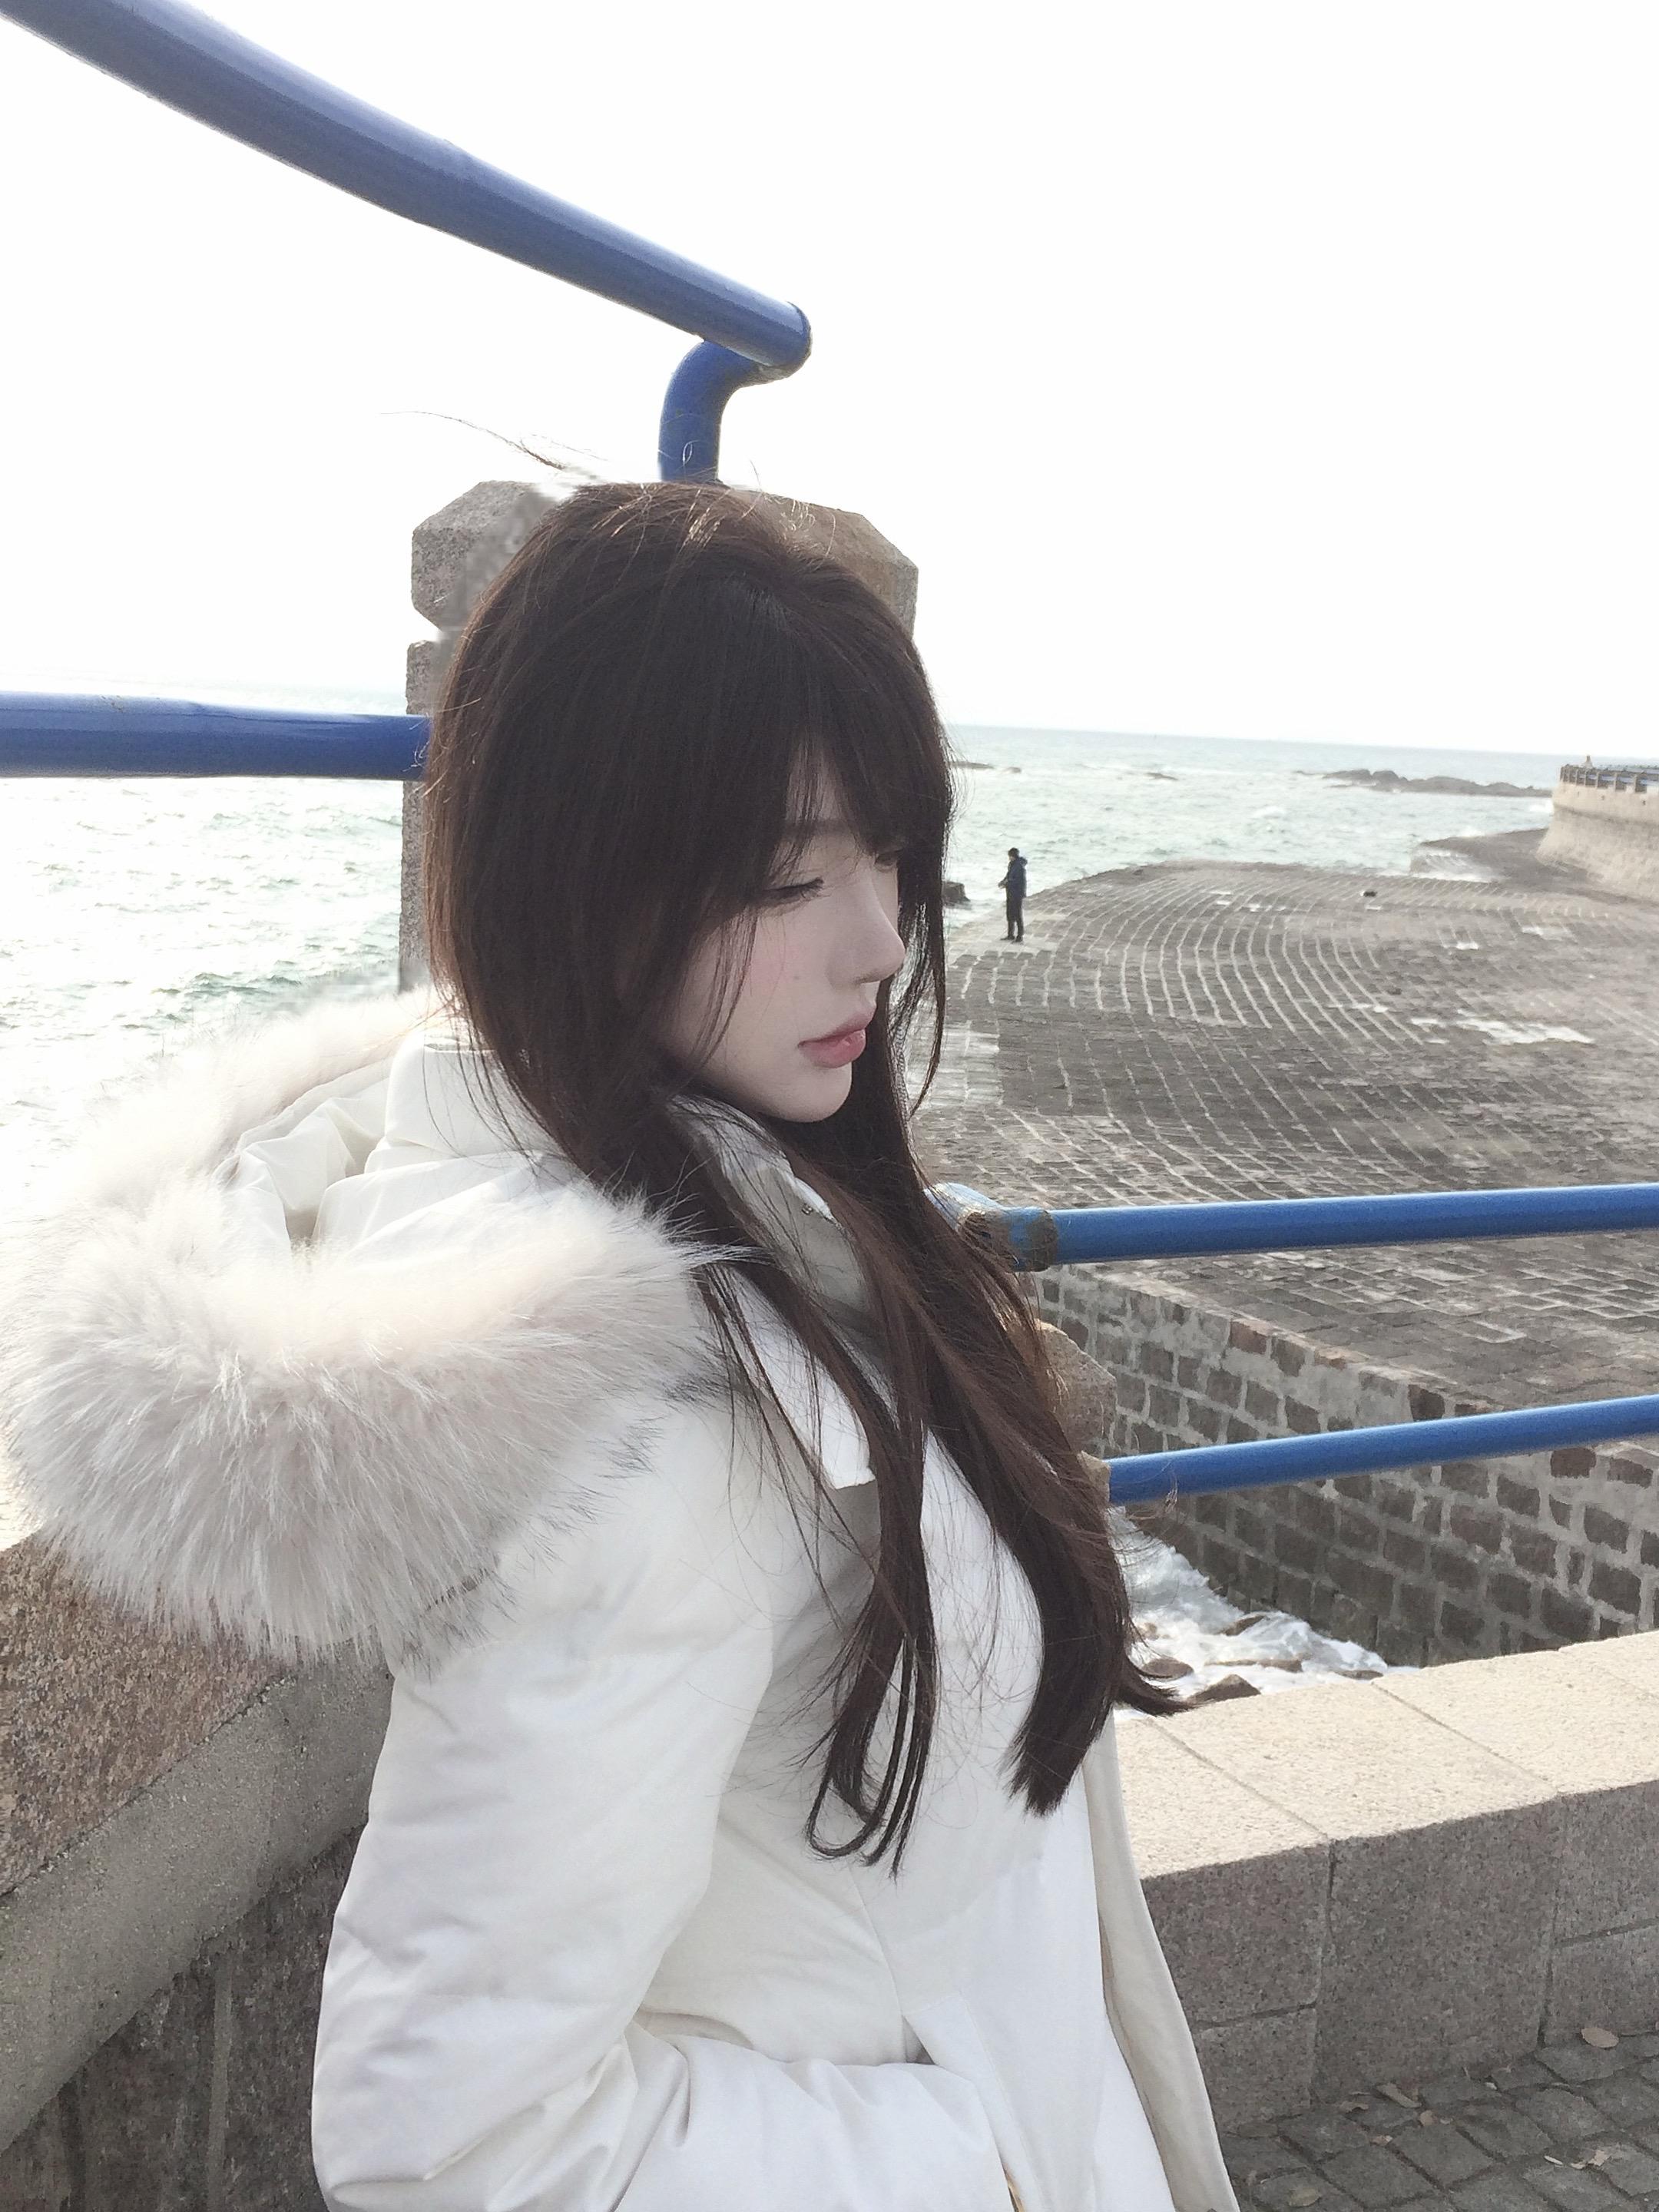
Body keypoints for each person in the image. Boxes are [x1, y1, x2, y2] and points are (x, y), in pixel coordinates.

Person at [5, 484, 1237, 2212]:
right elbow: (457, 2144)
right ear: (579, 874)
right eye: (790, 875)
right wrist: (994, 2162)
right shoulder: (652, 1435)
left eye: (894, 852)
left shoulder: (749, 1206)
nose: (883, 941)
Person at [999, 845, 1028, 940]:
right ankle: (1010, 934)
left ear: (1013, 856)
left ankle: (1020, 935)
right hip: (1010, 893)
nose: (1009, 858)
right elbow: (1008, 876)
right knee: (1010, 914)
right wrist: (1003, 881)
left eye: (1010, 856)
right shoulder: (1011, 864)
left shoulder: (1019, 867)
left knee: (1017, 914)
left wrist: (1007, 884)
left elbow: (1018, 881)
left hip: (1017, 894)